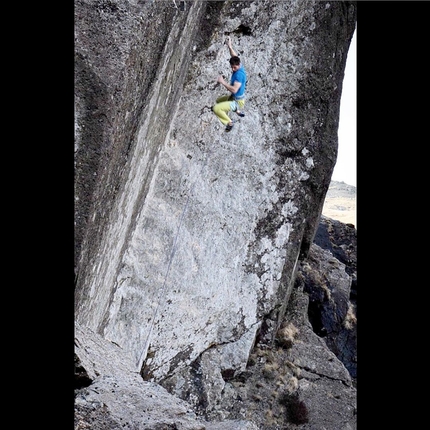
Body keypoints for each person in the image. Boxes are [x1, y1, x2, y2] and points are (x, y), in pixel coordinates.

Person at [212, 36, 247, 132]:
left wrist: (223, 82)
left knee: (216, 109)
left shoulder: (239, 76)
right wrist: (230, 46)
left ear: (238, 65)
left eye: (234, 67)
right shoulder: (240, 66)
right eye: (232, 67)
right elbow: (234, 56)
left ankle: (229, 123)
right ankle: (236, 110)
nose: (233, 69)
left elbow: (234, 89)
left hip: (237, 102)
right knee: (219, 100)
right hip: (234, 98)